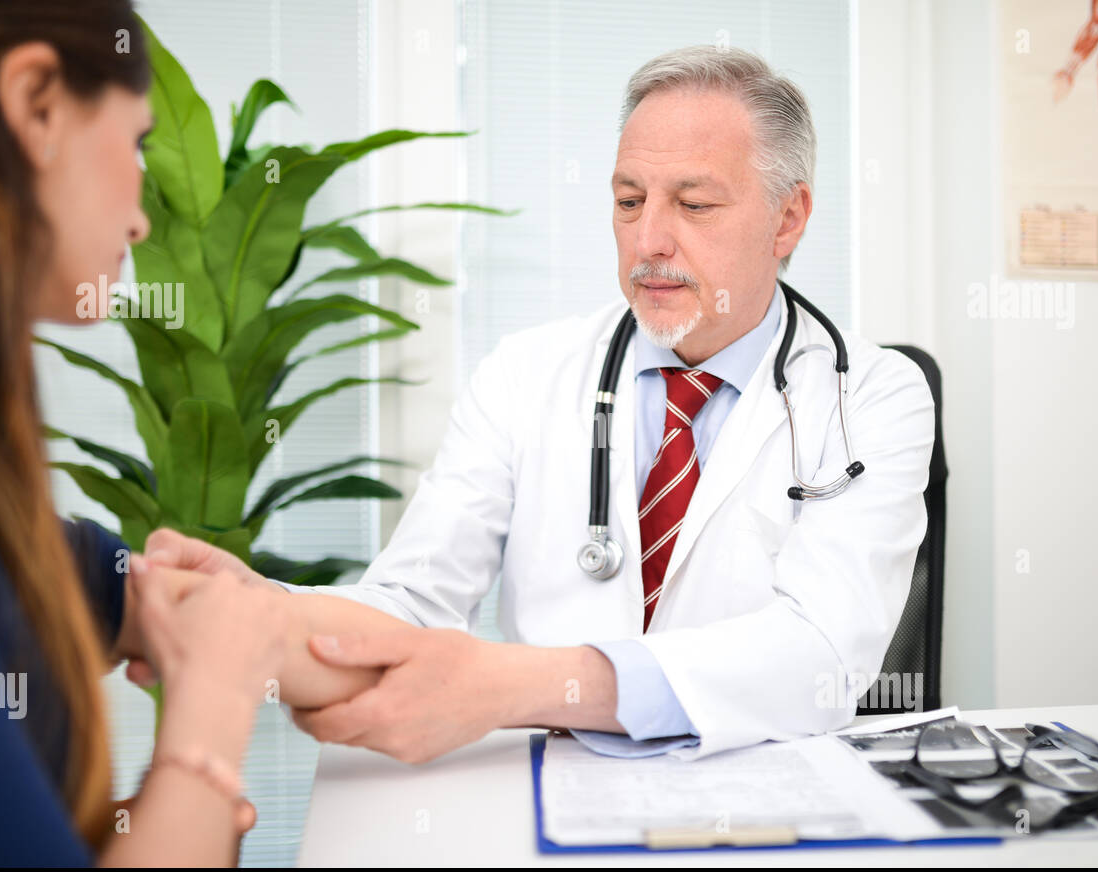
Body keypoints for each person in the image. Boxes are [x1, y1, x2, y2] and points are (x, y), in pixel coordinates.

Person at [150, 46, 937, 763]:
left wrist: (510, 683)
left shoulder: (871, 397)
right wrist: (258, 612)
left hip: (768, 798)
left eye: (694, 205)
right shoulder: (523, 374)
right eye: (629, 201)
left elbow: (824, 652)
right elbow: (413, 602)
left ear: (788, 217)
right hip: (546, 792)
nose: (649, 240)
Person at [0, 0, 404, 867]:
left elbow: (272, 636)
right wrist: (207, 731)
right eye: (138, 143)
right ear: (36, 101)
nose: (144, 220)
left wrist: (544, 687)